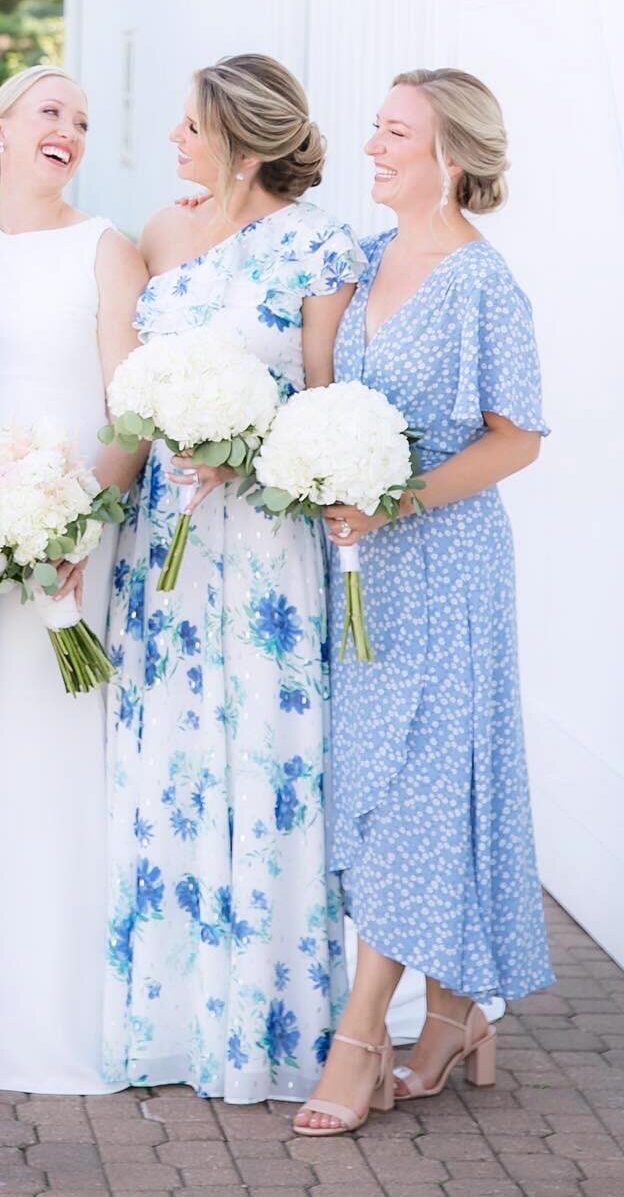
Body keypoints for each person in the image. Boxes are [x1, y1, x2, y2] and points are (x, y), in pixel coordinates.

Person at [295, 68, 549, 1138]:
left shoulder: (486, 285)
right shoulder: (361, 255)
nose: (373, 144)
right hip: (364, 568)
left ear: (451, 153)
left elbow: (518, 435)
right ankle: (452, 1015)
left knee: (418, 785)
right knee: (379, 778)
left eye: (396, 131)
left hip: (446, 562)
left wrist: (400, 496)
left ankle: (365, 1033)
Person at [106, 53, 362, 1104]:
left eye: (190, 125)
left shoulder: (323, 245)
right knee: (167, 766)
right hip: (164, 550)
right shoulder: (162, 233)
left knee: (268, 770)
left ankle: (270, 1021)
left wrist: (246, 447)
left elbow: (327, 406)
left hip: (264, 551)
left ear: (245, 142)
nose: (173, 140)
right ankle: (166, 1019)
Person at [0, 66, 147, 1093]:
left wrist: (75, 520)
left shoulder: (108, 248)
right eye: (51, 110)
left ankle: (45, 1005)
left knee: (48, 755)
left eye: (84, 121)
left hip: (66, 541)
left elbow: (128, 406)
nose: (70, 129)